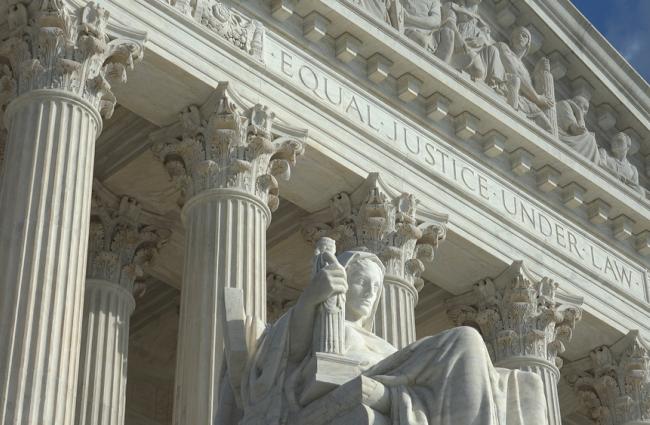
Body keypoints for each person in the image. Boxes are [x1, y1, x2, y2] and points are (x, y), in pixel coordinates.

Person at [238, 248, 549, 425]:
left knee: (526, 385)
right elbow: (286, 360)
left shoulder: (383, 345)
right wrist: (311, 299)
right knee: (465, 340)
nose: (370, 291)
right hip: (362, 385)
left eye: (376, 287)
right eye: (360, 280)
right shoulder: (315, 323)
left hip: (395, 385)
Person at [496, 26, 554, 132]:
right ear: (511, 39)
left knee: (547, 127)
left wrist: (538, 73)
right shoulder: (503, 47)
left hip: (522, 100)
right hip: (505, 87)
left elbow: (526, 86)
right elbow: (514, 71)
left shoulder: (525, 71)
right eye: (517, 34)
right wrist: (537, 98)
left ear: (528, 44)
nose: (520, 37)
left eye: (524, 36)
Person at [556, 95, 599, 162]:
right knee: (590, 139)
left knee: (590, 139)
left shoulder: (576, 114)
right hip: (561, 136)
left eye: (586, 109)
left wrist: (579, 114)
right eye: (584, 107)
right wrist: (579, 113)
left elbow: (581, 131)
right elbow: (576, 130)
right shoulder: (564, 104)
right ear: (575, 103)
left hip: (571, 138)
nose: (585, 112)